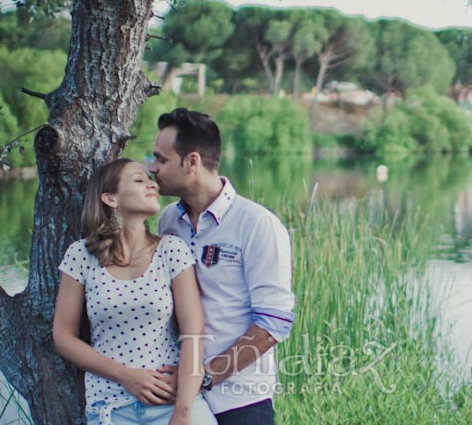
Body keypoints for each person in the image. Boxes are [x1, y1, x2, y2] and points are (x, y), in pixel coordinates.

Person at [149, 108, 296, 425]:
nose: (152, 168)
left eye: (161, 159)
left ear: (192, 162)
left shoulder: (257, 224)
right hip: (171, 396)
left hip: (240, 400)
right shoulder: (168, 221)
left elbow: (273, 324)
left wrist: (202, 377)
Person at [53, 158, 217, 425]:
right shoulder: (81, 255)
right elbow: (63, 337)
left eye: (149, 179)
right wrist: (125, 375)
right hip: (110, 408)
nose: (152, 184)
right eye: (139, 180)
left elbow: (193, 333)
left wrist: (183, 412)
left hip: (171, 402)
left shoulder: (171, 250)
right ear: (110, 198)